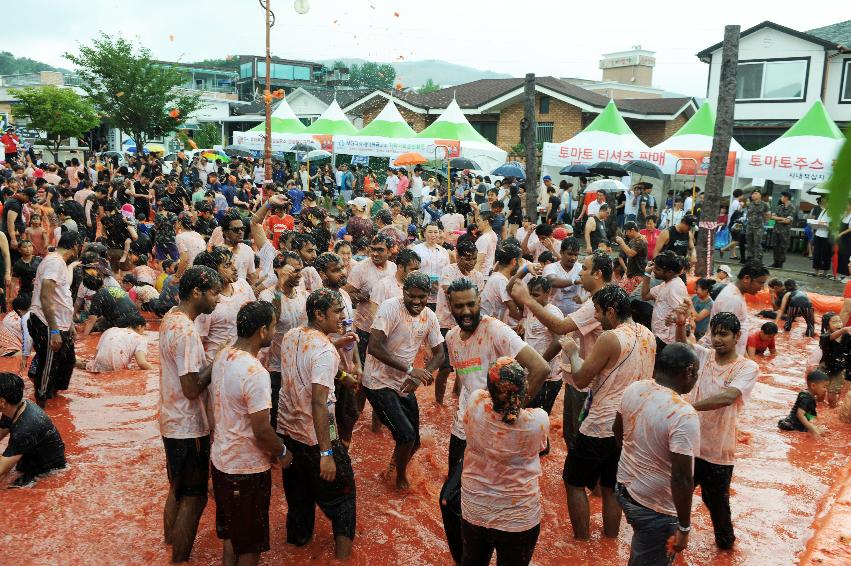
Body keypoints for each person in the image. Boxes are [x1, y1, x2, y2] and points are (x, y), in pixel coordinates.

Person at [440, 278, 550, 561]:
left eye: (470, 304)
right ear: (449, 306)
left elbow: (540, 368)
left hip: (497, 432)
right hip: (464, 430)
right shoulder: (452, 338)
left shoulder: (496, 330)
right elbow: (464, 382)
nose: (466, 311)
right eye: (459, 305)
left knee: (481, 496)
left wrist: (509, 414)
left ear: (480, 303)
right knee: (451, 501)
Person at [560, 284, 656, 541]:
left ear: (612, 312)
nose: (597, 320)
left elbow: (580, 379)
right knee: (611, 487)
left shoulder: (610, 338)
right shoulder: (648, 334)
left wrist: (572, 352)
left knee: (573, 481)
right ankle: (609, 542)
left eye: (599, 313)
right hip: (631, 425)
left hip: (601, 424)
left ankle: (581, 542)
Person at [210, 301, 293, 566]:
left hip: (221, 460)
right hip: (245, 470)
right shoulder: (255, 372)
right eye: (272, 326)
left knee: (232, 535)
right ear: (261, 331)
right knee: (250, 544)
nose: (274, 331)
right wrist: (282, 452)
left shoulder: (223, 355)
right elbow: (261, 429)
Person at [277, 288, 357, 560]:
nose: (342, 316)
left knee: (299, 501)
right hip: (318, 438)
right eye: (336, 312)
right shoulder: (325, 351)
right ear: (319, 314)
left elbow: (307, 361)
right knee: (344, 500)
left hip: (288, 434)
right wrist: (327, 453)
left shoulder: (291, 336)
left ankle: (297, 546)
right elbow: (319, 403)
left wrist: (341, 369)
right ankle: (343, 560)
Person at [674, 311, 759, 551]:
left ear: (737, 336)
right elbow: (682, 347)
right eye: (715, 334)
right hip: (689, 444)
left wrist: (688, 406)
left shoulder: (747, 367)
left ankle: (726, 546)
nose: (718, 339)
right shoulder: (703, 355)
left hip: (718, 449)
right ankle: (672, 539)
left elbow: (729, 397)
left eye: (724, 334)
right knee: (676, 496)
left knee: (716, 503)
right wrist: (681, 325)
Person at [614, 343, 700, 566]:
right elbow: (682, 478)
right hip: (654, 508)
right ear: (689, 371)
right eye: (696, 372)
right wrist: (684, 526)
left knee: (643, 549)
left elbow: (617, 431)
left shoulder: (634, 388)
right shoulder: (683, 413)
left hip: (624, 489)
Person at [158, 266, 222, 563]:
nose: (218, 299)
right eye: (214, 292)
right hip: (188, 426)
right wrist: (217, 361)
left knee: (178, 488)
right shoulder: (186, 332)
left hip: (171, 422)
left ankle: (169, 543)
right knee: (194, 498)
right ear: (196, 293)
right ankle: (179, 558)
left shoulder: (171, 317)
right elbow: (192, 388)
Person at [460, 358, 548, 566]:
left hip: (475, 507)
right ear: (524, 391)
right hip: (518, 517)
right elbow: (543, 450)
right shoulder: (537, 421)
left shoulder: (475, 403)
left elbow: (489, 399)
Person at [364, 272, 445, 490]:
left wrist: (421, 375)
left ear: (429, 295)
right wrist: (411, 369)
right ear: (403, 292)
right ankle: (399, 477)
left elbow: (440, 354)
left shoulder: (430, 316)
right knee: (406, 436)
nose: (417, 302)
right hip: (377, 382)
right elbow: (374, 346)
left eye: (422, 297)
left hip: (404, 382)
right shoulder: (390, 308)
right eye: (412, 296)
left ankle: (390, 469)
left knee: (414, 441)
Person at [28, 231, 79, 407]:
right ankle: (41, 405)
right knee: (48, 365)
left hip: (59, 322)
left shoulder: (59, 263)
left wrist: (69, 323)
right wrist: (55, 330)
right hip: (47, 322)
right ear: (75, 246)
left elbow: (61, 296)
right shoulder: (55, 262)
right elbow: (46, 297)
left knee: (67, 361)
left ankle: (52, 397)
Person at [434, 240, 484, 405]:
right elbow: (450, 295)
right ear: (457, 256)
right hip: (445, 324)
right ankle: (439, 403)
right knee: (446, 367)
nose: (471, 262)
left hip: (467, 325)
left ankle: (457, 395)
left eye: (474, 259)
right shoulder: (449, 271)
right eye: (467, 258)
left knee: (466, 365)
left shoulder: (478, 276)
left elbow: (478, 302)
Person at [0, 372, 66, 487]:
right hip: (29, 458)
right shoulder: (13, 407)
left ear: (2, 401)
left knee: (12, 492)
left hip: (46, 471)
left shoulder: (25, 428)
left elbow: (1, 472)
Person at [193, 247, 257, 363]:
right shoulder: (207, 302)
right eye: (227, 265)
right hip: (216, 367)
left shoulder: (243, 285)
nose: (235, 268)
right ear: (213, 271)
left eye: (233, 262)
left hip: (244, 363)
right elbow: (197, 343)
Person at [344, 234, 397, 365]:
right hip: (364, 326)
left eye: (380, 250)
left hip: (388, 326)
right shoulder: (361, 269)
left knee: (383, 363)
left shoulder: (393, 268)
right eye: (372, 249)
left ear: (390, 251)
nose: (375, 253)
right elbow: (343, 294)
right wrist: (364, 297)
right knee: (361, 363)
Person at [702, 261, 770, 356]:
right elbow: (722, 338)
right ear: (746, 278)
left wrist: (745, 359)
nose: (762, 288)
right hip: (723, 360)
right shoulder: (732, 299)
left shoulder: (736, 294)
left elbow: (738, 332)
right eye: (760, 283)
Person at [641, 251, 689, 356]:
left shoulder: (675, 287)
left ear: (670, 272)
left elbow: (684, 315)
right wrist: (647, 273)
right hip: (660, 337)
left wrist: (673, 318)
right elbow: (645, 296)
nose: (654, 270)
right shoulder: (666, 283)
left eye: (657, 269)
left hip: (666, 341)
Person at [82, 315, 152, 372]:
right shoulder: (139, 338)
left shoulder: (110, 330)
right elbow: (142, 363)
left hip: (96, 367)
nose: (143, 332)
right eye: (144, 328)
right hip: (117, 371)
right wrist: (154, 371)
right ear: (139, 326)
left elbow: (96, 354)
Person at [777, 370, 829, 436]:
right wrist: (813, 430)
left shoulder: (807, 395)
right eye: (824, 387)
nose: (826, 390)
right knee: (819, 433)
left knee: (822, 431)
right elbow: (800, 415)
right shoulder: (807, 398)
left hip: (792, 423)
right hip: (791, 426)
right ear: (813, 386)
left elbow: (808, 414)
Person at [413, 223, 451, 310]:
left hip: (439, 292)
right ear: (424, 233)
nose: (433, 235)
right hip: (420, 290)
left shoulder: (443, 251)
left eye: (435, 232)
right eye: (430, 232)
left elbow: (447, 273)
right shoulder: (416, 250)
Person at [819, 312, 850, 408]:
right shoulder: (824, 337)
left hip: (839, 370)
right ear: (827, 325)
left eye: (840, 321)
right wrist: (844, 330)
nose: (839, 324)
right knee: (820, 393)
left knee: (832, 395)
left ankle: (832, 410)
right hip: (825, 367)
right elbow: (831, 337)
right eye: (834, 322)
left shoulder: (847, 337)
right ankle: (819, 409)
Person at [614, 221, 648, 294]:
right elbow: (626, 251)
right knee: (620, 292)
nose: (626, 234)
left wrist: (621, 242)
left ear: (632, 230)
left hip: (637, 274)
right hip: (630, 273)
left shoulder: (641, 241)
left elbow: (630, 253)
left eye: (627, 231)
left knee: (630, 296)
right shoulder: (633, 240)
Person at [770, 191, 796, 268]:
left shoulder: (792, 208)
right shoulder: (780, 207)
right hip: (776, 230)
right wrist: (782, 218)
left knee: (783, 248)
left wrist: (779, 219)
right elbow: (772, 217)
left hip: (785, 232)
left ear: (786, 198)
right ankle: (775, 262)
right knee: (775, 247)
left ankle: (780, 263)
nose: (781, 198)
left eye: (782, 196)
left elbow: (788, 221)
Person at [745, 189, 770, 265]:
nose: (753, 195)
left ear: (760, 195)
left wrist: (764, 222)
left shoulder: (765, 204)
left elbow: (768, 215)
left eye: (755, 193)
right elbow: (748, 214)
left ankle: (758, 260)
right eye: (753, 194)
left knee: (757, 244)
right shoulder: (750, 204)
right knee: (749, 244)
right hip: (749, 227)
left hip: (759, 227)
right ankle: (750, 259)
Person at [474, 211, 499, 276]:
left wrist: (473, 279)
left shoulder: (483, 239)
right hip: (488, 273)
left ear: (486, 222)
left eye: (479, 221)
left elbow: (479, 262)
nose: (477, 224)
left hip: (482, 275)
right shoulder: (493, 234)